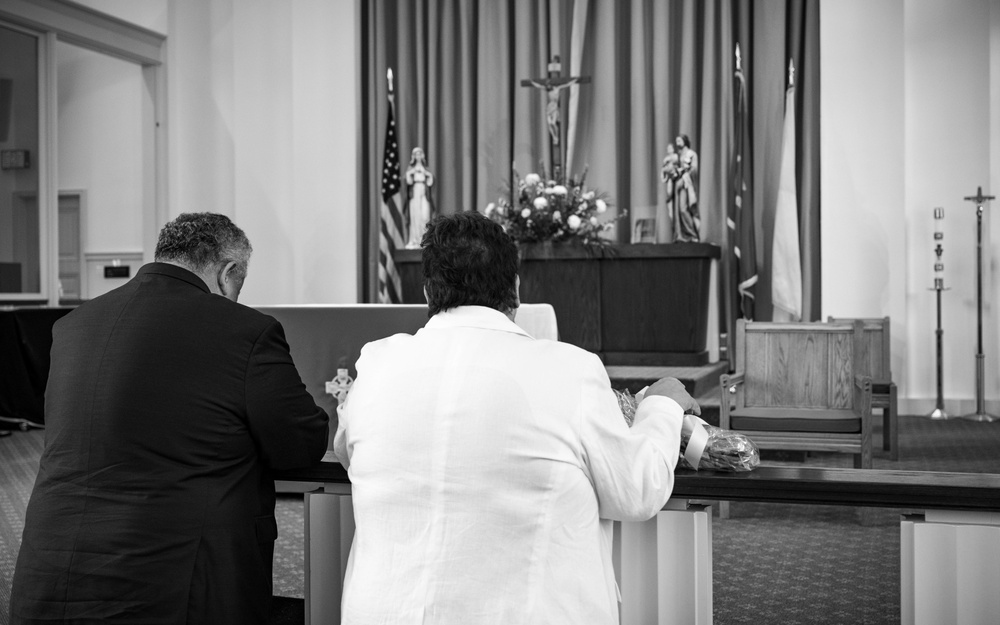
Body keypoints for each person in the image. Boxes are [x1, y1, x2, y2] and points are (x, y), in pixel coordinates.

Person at [334, 211, 699, 624]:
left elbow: (348, 452)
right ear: (517, 289)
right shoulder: (569, 369)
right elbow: (635, 491)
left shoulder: (379, 361)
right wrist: (663, 405)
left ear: (427, 291)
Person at [10, 213, 330, 625]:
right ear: (228, 271)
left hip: (51, 578)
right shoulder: (247, 330)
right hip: (177, 587)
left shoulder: (73, 325)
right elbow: (298, 444)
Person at [672, 133, 700, 242]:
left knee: (684, 209)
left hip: (687, 185)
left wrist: (683, 179)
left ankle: (692, 234)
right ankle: (681, 235)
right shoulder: (678, 156)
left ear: (684, 141)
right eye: (676, 141)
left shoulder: (691, 154)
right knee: (678, 211)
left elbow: (693, 169)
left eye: (679, 140)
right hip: (678, 186)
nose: (678, 143)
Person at [405, 147, 435, 248]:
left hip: (424, 192)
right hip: (415, 193)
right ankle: (414, 240)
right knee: (415, 216)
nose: (418, 156)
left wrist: (427, 174)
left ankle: (424, 239)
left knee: (425, 215)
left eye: (419, 154)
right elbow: (408, 181)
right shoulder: (411, 168)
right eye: (416, 154)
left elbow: (430, 182)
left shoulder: (425, 168)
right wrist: (411, 173)